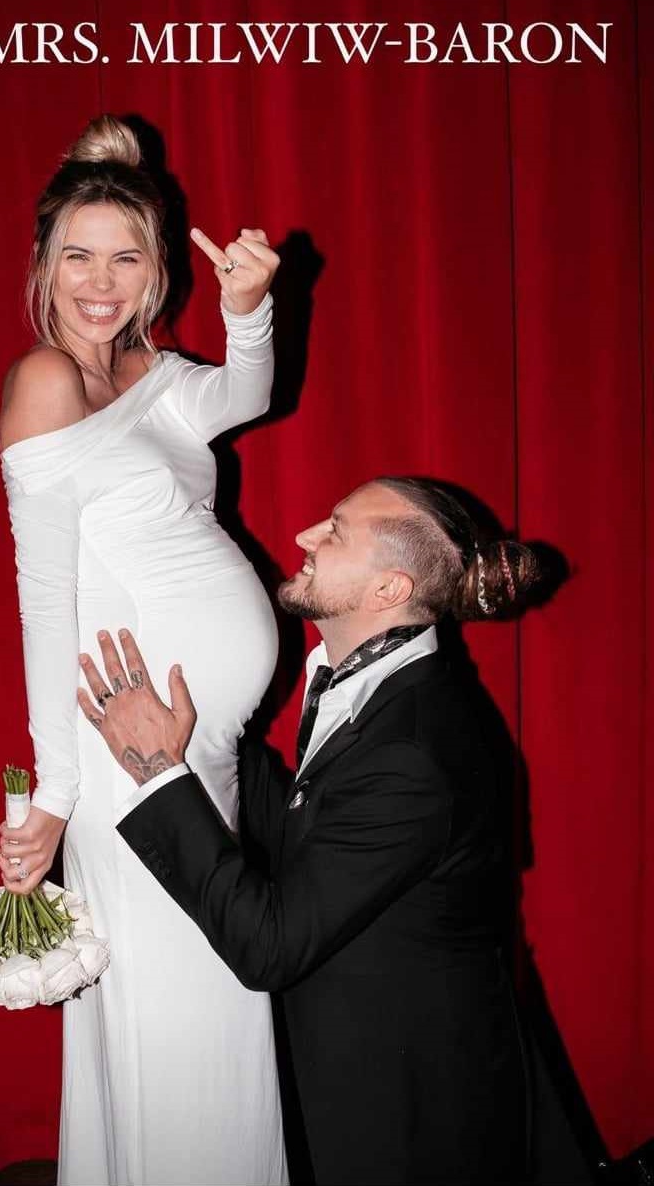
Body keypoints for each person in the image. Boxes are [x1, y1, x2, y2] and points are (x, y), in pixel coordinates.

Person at [69, 477, 543, 1186]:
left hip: (408, 1113)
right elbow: (308, 823)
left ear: (389, 589)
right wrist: (203, 738)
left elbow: (269, 947)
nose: (304, 537)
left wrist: (160, 771)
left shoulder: (416, 750)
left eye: (337, 530)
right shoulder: (378, 686)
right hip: (361, 1073)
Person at [0, 115, 288, 1186]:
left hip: (195, 745)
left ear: (158, 267)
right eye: (79, 254)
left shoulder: (155, 374)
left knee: (210, 988)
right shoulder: (46, 379)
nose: (100, 282)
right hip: (129, 752)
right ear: (44, 261)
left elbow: (248, 394)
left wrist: (249, 311)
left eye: (125, 257)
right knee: (181, 1008)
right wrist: (55, 793)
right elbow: (44, 597)